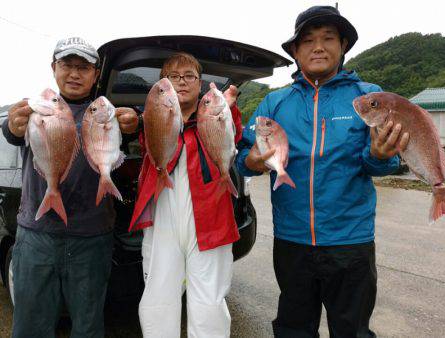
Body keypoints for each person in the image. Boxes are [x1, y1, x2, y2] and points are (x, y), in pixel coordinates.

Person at [236, 6, 409, 338]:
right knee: (293, 329)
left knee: (352, 330)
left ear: (343, 46)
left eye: (328, 38)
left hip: (351, 242)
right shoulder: (275, 103)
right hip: (292, 241)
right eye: (308, 41)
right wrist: (252, 162)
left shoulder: (367, 99)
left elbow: (382, 163)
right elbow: (245, 153)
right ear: (296, 52)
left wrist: (379, 154)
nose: (318, 47)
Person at [2, 37, 138, 338]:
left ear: (96, 74)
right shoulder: (35, 110)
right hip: (37, 235)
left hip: (92, 238)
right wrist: (13, 125)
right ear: (54, 68)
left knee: (88, 326)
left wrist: (133, 124)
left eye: (83, 67)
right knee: (30, 327)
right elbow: (13, 131)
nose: (74, 74)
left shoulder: (104, 114)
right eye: (67, 65)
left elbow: (124, 137)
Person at [129, 52, 243, 338]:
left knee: (209, 303)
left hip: (211, 220)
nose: (181, 82)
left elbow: (234, 134)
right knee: (158, 296)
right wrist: (132, 119)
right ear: (163, 84)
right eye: (173, 77)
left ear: (201, 83)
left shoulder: (216, 115)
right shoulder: (152, 117)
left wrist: (227, 110)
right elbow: (139, 132)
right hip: (161, 219)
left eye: (189, 76)